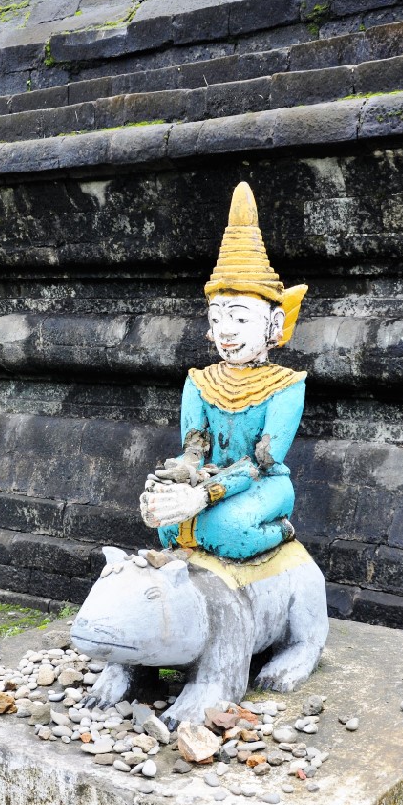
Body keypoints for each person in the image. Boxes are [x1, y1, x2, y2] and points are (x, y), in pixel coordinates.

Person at [140, 182, 308, 562]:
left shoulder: (287, 386)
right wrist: (181, 475)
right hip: (212, 476)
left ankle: (281, 529)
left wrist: (205, 494)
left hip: (263, 484)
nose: (226, 331)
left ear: (274, 324)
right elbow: (194, 448)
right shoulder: (200, 382)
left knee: (226, 529)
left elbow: (262, 462)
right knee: (168, 523)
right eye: (217, 319)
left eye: (240, 318)